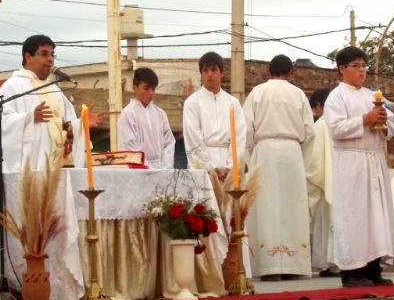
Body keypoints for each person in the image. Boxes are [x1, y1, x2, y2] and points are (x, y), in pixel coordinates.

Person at [324, 46, 394, 287]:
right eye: (356, 66)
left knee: (376, 216)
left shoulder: (372, 95)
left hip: (373, 159)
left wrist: (384, 123)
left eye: (364, 65)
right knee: (354, 216)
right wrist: (365, 120)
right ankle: (352, 271)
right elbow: (336, 128)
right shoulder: (337, 96)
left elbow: (391, 126)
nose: (362, 70)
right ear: (342, 69)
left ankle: (373, 268)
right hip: (351, 161)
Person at [243, 55, 315, 281]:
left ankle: (268, 266)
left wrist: (251, 154)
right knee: (292, 208)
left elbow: (245, 130)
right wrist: (300, 159)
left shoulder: (257, 92)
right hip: (292, 153)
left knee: (267, 208)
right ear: (291, 72)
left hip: (264, 153)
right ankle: (293, 266)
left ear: (268, 71)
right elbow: (310, 132)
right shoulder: (298, 94)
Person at [0, 34, 103, 172]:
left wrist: (80, 123)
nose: (50, 59)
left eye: (52, 55)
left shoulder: (54, 89)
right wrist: (29, 118)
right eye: (44, 54)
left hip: (57, 168)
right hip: (29, 169)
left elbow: (64, 126)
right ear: (28, 57)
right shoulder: (13, 86)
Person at [182, 52, 246, 180]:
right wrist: (209, 168)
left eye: (213, 69)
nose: (209, 74)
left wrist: (230, 167)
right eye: (205, 70)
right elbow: (193, 137)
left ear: (222, 72)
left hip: (228, 167)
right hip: (201, 167)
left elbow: (239, 137)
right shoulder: (192, 102)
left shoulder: (233, 103)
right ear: (201, 74)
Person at [306, 87, 339, 277]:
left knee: (326, 221)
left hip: (327, 179)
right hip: (342, 179)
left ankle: (328, 262)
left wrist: (311, 177)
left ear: (319, 106)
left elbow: (315, 159)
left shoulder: (321, 124)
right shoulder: (341, 121)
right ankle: (338, 262)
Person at [118, 67, 175, 169]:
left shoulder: (160, 114)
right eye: (146, 88)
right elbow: (130, 147)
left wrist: (165, 168)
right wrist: (149, 169)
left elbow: (169, 143)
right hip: (138, 172)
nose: (151, 93)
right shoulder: (127, 114)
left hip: (161, 170)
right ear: (135, 88)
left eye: (153, 89)